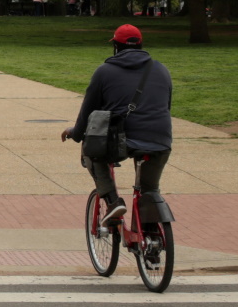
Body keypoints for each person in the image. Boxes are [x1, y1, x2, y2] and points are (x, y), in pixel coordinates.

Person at [61, 23, 175, 229]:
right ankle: (151, 239)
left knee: (91, 153)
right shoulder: (161, 69)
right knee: (149, 189)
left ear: (116, 46)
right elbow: (166, 106)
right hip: (160, 139)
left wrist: (76, 134)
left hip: (122, 140)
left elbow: (88, 111)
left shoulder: (104, 72)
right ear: (141, 45)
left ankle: (113, 202)